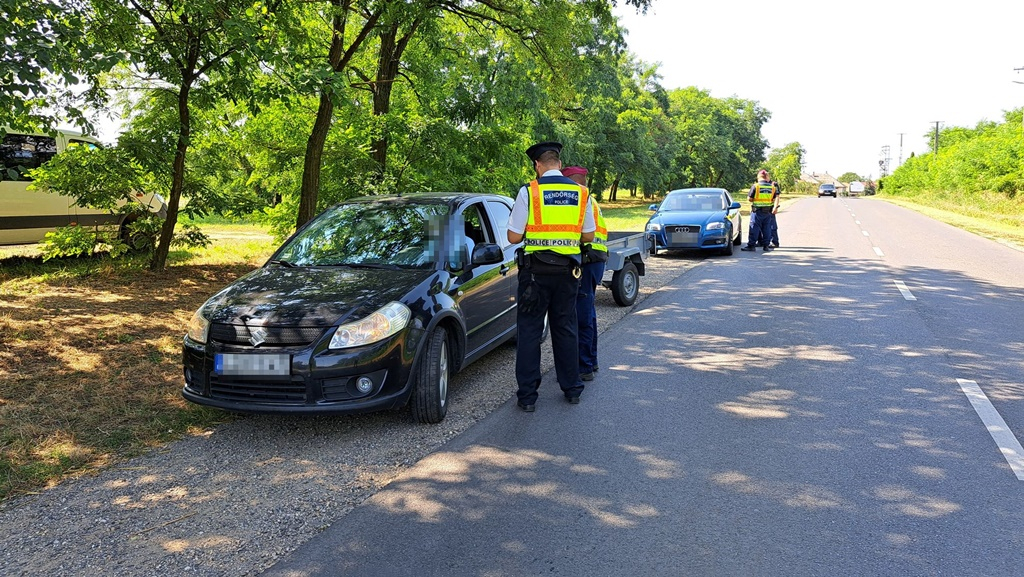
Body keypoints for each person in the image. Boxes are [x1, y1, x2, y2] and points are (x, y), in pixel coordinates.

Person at [507, 142, 596, 412]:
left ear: (537, 165)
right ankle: (572, 390)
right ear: (559, 163)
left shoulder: (530, 191)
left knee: (530, 332)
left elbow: (513, 237)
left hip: (534, 274)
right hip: (568, 273)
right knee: (565, 328)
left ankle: (527, 397)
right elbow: (589, 235)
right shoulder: (581, 193)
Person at [563, 166, 607, 383]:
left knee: (581, 314)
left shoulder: (579, 198)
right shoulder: (589, 198)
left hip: (587, 261)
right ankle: (591, 360)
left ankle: (584, 366)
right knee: (587, 311)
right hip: (595, 260)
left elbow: (578, 234)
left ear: (572, 179)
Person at [741, 169, 779, 252]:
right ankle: (766, 246)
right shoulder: (772, 187)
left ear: (758, 177)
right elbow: (774, 198)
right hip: (768, 212)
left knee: (754, 228)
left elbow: (750, 199)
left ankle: (751, 245)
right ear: (766, 177)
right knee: (767, 228)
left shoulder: (756, 186)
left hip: (757, 211)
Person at [769, 179, 781, 248]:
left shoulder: (774, 184)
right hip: (760, 208)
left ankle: (774, 241)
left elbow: (777, 196)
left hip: (771, 208)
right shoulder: (759, 184)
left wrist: (775, 207)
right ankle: (761, 241)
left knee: (772, 226)